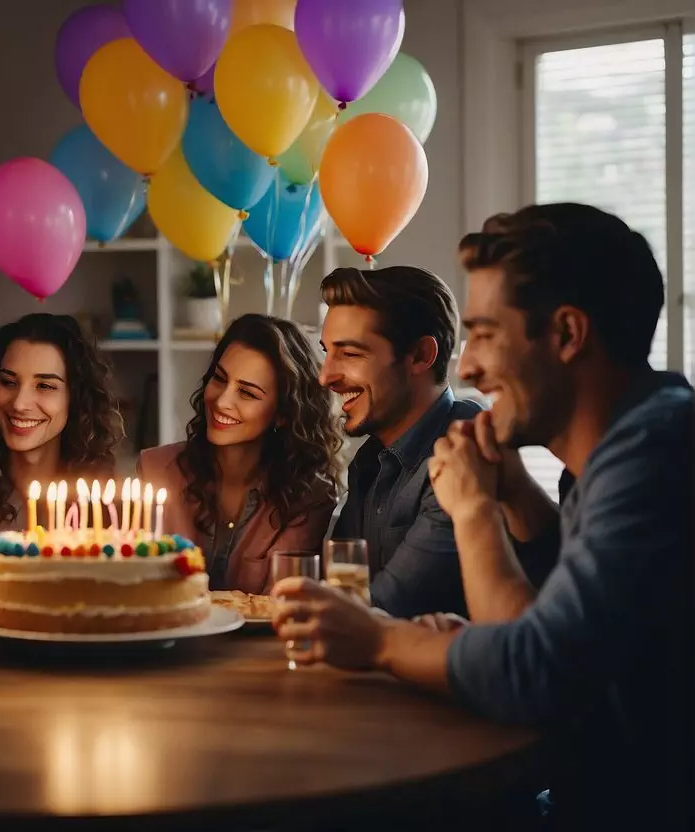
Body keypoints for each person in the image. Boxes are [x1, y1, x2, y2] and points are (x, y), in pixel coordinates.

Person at [274, 204, 693, 828]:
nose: (466, 368)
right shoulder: (615, 456)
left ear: (569, 335)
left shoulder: (653, 455)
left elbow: (534, 675)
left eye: (488, 334)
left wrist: (383, 636)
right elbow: (552, 632)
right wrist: (514, 501)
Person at [319, 265, 555, 619]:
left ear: (419, 356)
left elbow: (384, 609)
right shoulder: (370, 459)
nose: (326, 376)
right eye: (327, 352)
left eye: (350, 354)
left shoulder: (465, 449)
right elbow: (339, 589)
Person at [0, 313, 123, 600]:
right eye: (8, 382)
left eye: (45, 386)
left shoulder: (98, 485)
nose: (20, 403)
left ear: (75, 398)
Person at [137, 314, 341, 593]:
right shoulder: (155, 470)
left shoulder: (307, 497)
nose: (222, 401)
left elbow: (279, 604)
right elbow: (142, 588)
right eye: (219, 379)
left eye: (247, 393)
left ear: (282, 414)